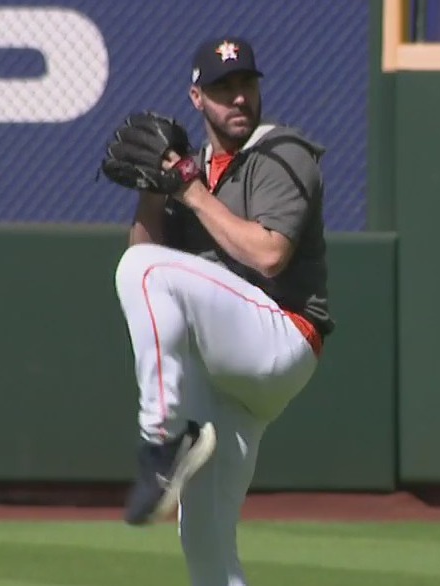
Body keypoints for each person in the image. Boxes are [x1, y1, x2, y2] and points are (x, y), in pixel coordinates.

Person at [105, 36, 334, 585]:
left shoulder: (282, 151)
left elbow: (270, 255)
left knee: (142, 273)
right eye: (222, 88)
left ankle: (161, 440)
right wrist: (153, 191)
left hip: (281, 335)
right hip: (228, 377)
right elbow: (146, 253)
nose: (237, 98)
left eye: (245, 84)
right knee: (204, 543)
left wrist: (188, 190)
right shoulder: (195, 171)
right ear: (197, 98)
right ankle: (177, 443)